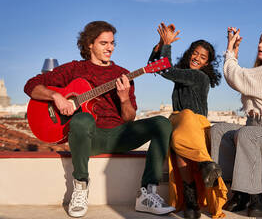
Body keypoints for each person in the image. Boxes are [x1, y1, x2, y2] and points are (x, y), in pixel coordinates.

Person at [24, 21, 175, 217]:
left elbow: (129, 118)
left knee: (162, 123)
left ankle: (147, 194)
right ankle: (80, 187)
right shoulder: (73, 69)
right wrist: (56, 97)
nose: (110, 48)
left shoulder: (123, 74)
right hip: (88, 137)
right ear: (89, 44)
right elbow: (31, 85)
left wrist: (124, 99)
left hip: (119, 136)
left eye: (112, 43)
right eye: (104, 43)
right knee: (83, 119)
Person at [210, 27, 262, 217]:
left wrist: (230, 49)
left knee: (247, 134)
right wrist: (234, 54)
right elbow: (240, 76)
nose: (259, 45)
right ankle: (230, 189)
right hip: (253, 127)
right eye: (260, 40)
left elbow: (235, 76)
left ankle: (256, 198)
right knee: (219, 130)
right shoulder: (260, 72)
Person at [148, 23, 227, 218]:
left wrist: (167, 45)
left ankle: (198, 180)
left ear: (206, 64)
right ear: (189, 53)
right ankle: (195, 192)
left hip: (194, 123)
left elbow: (166, 71)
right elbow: (154, 67)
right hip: (182, 123)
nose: (197, 58)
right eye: (195, 53)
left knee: (181, 132)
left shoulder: (198, 76)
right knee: (180, 150)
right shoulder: (183, 75)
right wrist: (161, 44)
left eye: (202, 57)